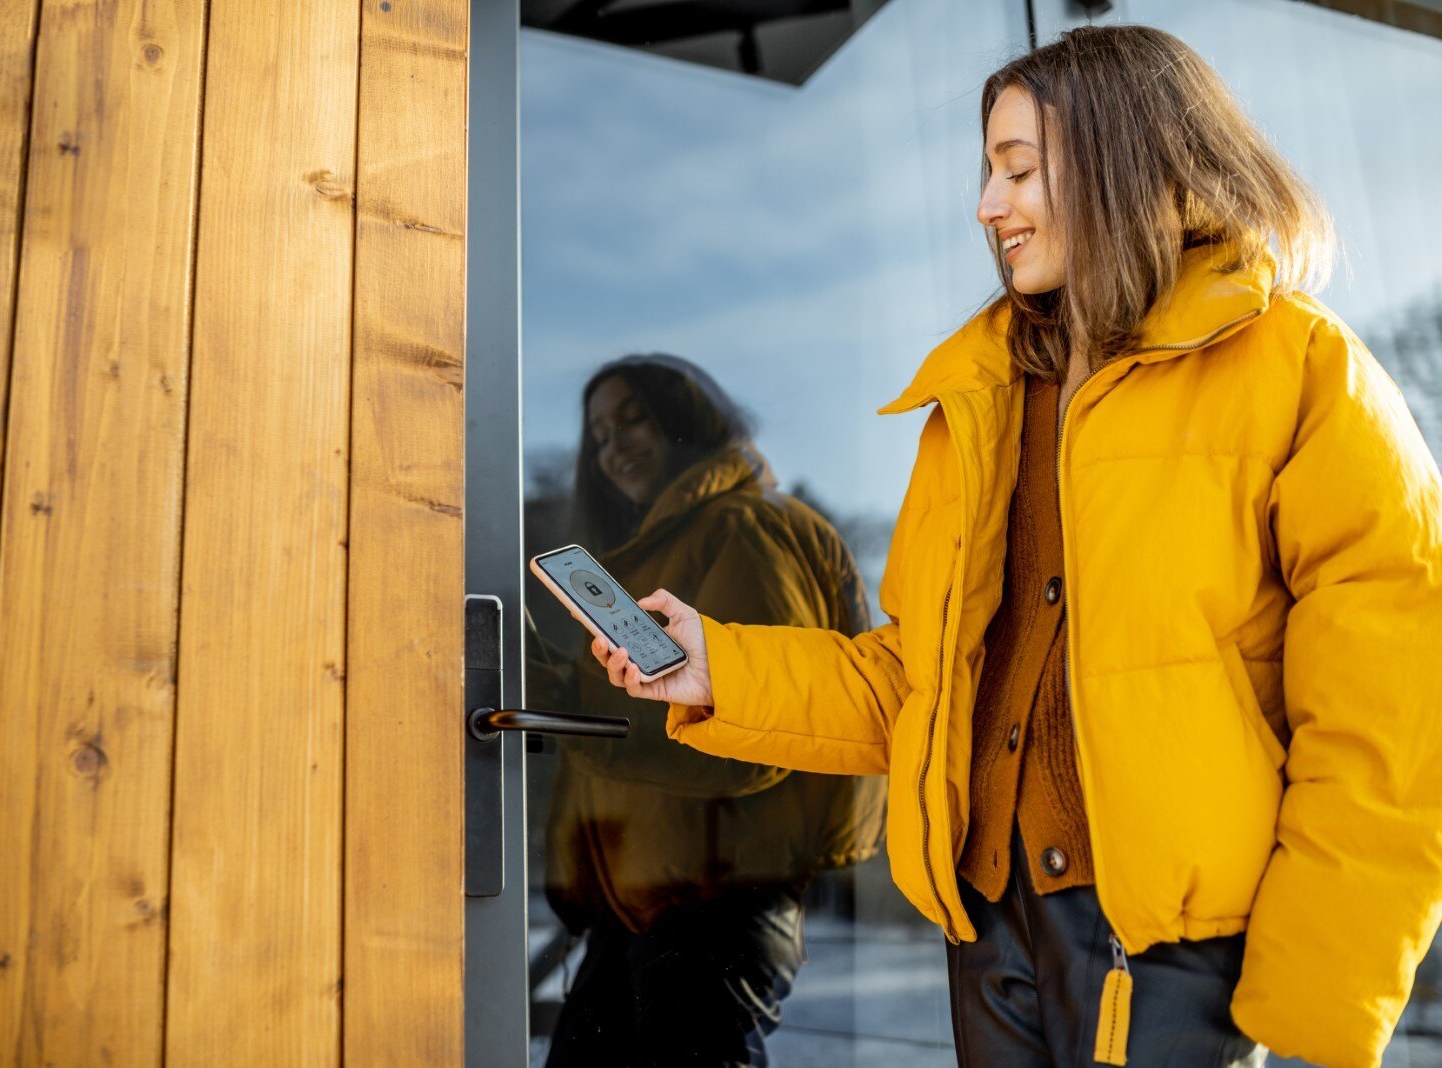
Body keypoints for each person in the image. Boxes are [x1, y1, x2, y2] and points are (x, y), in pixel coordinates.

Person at [581, 26, 1442, 1068]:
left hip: (1172, 953)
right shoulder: (980, 405)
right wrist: (719, 666)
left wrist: (1314, 980)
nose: (988, 205)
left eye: (1017, 170)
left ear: (1123, 163)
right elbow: (919, 685)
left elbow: (1392, 711)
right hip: (989, 932)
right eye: (987, 172)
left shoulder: (1300, 371)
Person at [530, 354, 888, 1068]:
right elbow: (644, 704)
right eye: (599, 435)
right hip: (640, 906)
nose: (614, 447)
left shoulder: (746, 530)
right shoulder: (659, 549)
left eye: (634, 419)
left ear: (686, 421)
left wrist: (589, 736)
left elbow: (760, 734)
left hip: (715, 906)